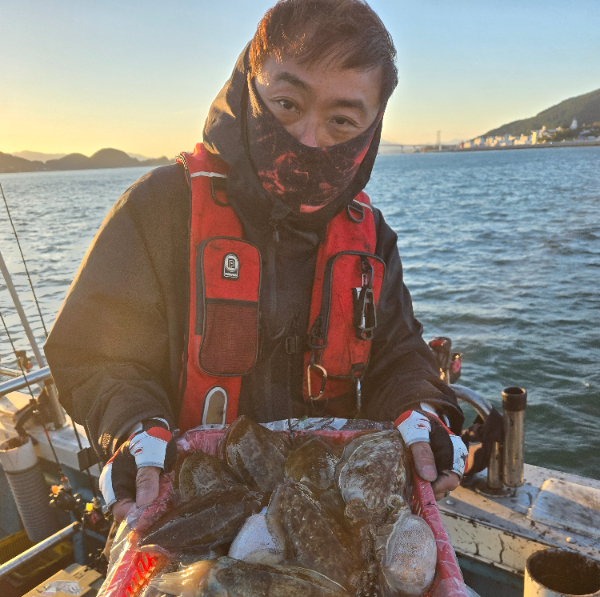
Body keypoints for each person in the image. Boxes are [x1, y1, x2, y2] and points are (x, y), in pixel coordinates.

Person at [45, 0, 467, 523]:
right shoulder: (159, 209)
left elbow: (397, 353)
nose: (308, 140)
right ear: (250, 86)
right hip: (187, 503)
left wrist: (421, 409)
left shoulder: (370, 237)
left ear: (372, 127)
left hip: (332, 505)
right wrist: (133, 424)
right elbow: (96, 356)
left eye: (341, 120)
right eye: (287, 104)